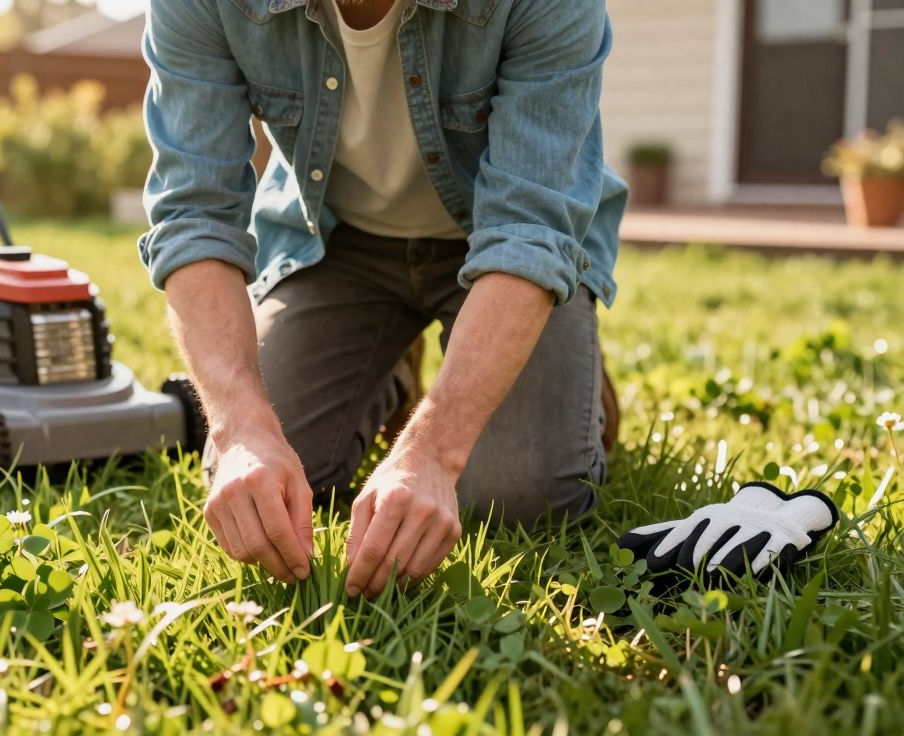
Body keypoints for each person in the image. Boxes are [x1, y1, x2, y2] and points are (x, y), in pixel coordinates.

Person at [137, 0, 629, 598]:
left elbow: (531, 231)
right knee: (253, 481)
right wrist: (239, 428)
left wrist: (437, 451)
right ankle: (391, 370)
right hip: (336, 243)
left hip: (502, 242)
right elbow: (195, 213)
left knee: (519, 496)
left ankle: (555, 367)